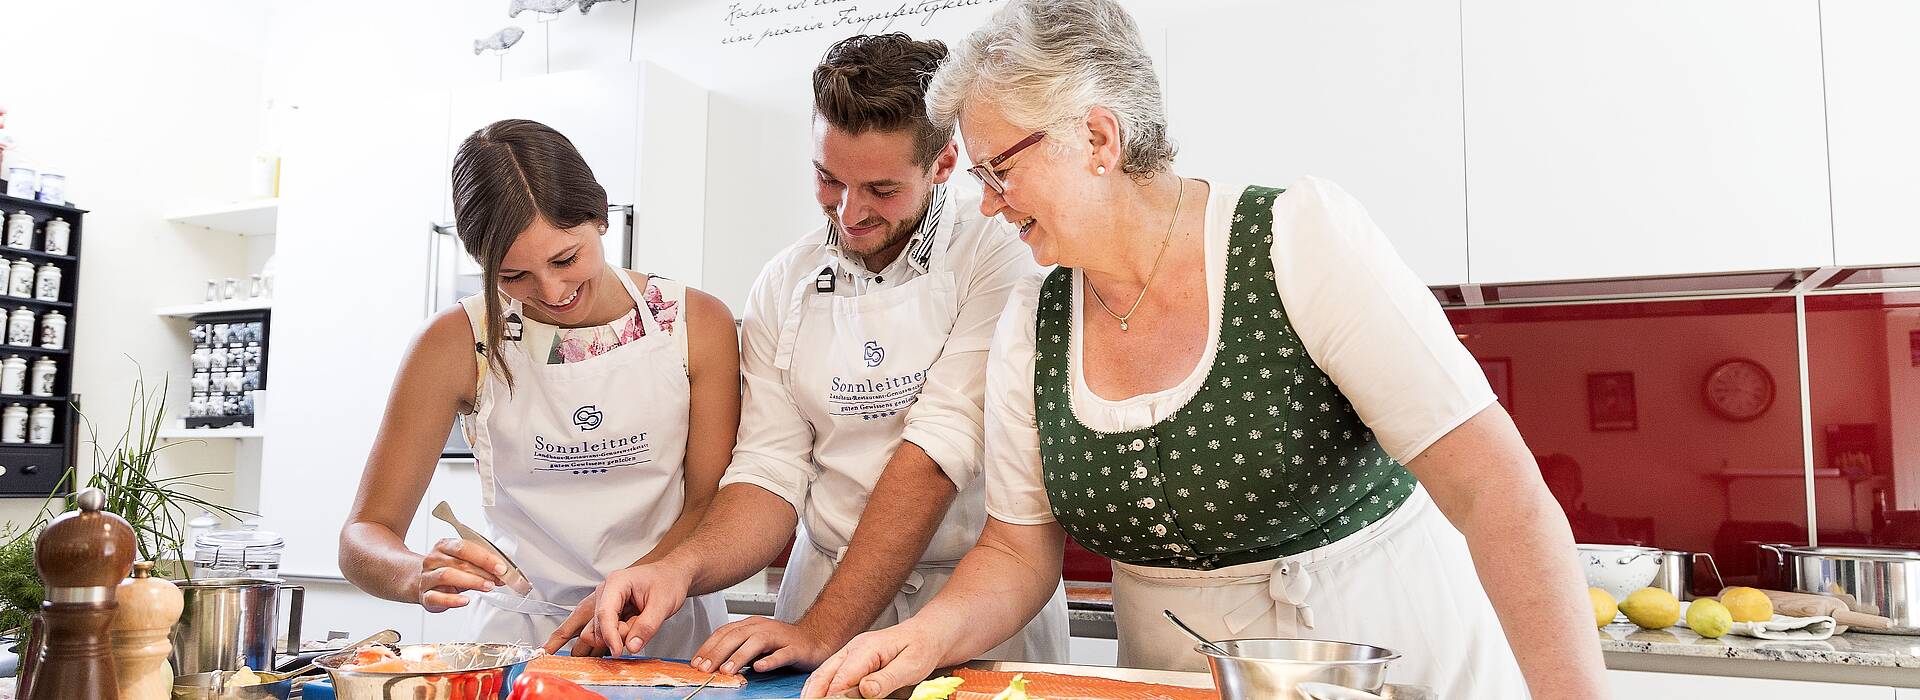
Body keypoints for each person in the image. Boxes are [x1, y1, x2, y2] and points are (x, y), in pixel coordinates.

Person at [803, 2, 1609, 698]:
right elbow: (1017, 550)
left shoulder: (1298, 240)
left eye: (999, 171)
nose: (986, 204)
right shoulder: (1031, 319)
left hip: (1384, 667)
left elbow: (1493, 492)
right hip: (1174, 678)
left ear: (1096, 136)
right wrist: (927, 636)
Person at [545, 33, 1069, 673]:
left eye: (881, 188)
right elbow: (768, 472)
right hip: (823, 591)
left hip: (972, 607)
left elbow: (937, 453)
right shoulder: (784, 284)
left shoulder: (999, 252)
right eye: (827, 178)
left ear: (943, 164)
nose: (849, 214)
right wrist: (676, 569)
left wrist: (824, 630)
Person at [338, 119, 738, 653]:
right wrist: (416, 574)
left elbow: (708, 507)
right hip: (521, 642)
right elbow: (363, 535)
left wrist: (623, 596)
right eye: (513, 277)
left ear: (599, 218)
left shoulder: (695, 323)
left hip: (668, 633)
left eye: (565, 259)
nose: (550, 291)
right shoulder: (454, 342)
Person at [1539, 453, 1627, 544]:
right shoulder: (1536, 519)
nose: (1562, 486)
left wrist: (1566, 510)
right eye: (1556, 479)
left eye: (1567, 480)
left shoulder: (1601, 523)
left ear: (1578, 487)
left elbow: (1610, 550)